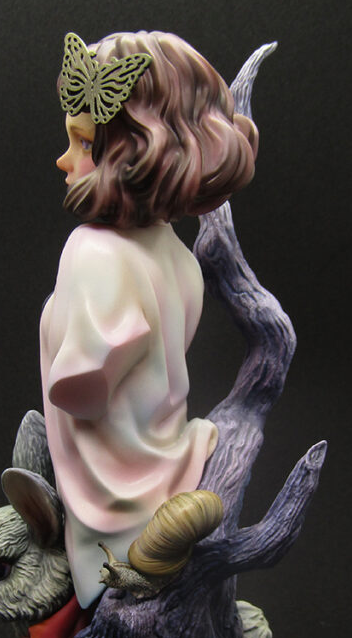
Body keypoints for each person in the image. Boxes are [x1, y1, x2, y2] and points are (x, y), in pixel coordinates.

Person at [40, 31, 258, 607]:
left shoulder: (93, 251)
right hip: (172, 469)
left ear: (130, 153)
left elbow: (80, 391)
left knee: (103, 613)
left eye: (83, 143)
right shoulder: (178, 258)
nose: (64, 160)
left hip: (114, 510)